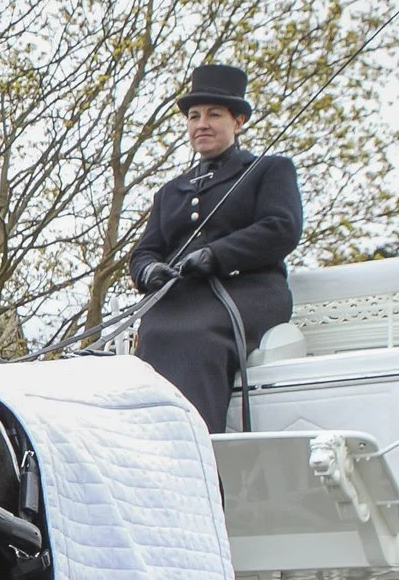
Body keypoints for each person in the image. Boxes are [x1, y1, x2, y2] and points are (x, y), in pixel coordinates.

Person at [130, 64, 305, 430]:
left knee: (193, 335)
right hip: (182, 298)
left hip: (247, 292)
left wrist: (216, 255)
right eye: (194, 116)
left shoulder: (268, 170)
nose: (201, 124)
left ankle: (200, 449)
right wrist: (149, 271)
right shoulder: (170, 191)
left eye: (214, 115)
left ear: (238, 121)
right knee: (153, 334)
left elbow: (281, 229)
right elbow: (145, 251)